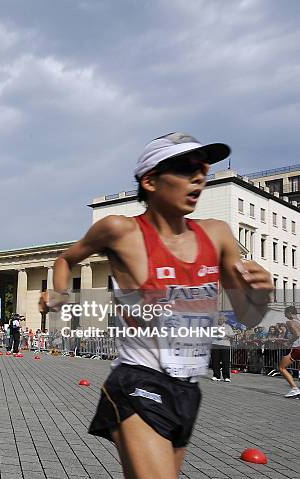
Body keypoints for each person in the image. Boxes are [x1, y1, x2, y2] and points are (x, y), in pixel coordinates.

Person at [40, 132, 273, 479]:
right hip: (139, 381)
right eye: (185, 168)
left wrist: (262, 292)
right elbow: (66, 259)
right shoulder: (120, 230)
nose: (199, 177)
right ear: (150, 180)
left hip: (189, 388)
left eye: (203, 168)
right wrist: (59, 294)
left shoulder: (218, 234)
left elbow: (247, 316)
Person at [278, 306, 300, 397]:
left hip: (297, 348)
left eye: (285, 313)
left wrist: (288, 342)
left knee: (282, 368)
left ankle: (295, 389)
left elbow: (297, 334)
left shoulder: (290, 322)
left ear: (290, 313)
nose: (284, 315)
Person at [210, 315, 234, 382]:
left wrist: (225, 334)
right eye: (218, 319)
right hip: (215, 345)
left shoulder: (228, 327)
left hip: (225, 345)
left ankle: (226, 377)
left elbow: (232, 335)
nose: (220, 320)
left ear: (224, 320)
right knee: (215, 361)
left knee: (225, 361)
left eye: (221, 319)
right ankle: (216, 376)